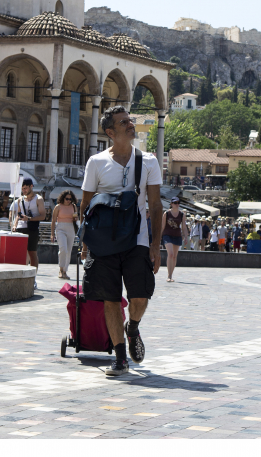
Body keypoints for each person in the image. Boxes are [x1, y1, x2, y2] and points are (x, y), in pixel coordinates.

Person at [80, 106, 162, 376]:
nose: (130, 124)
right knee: (110, 298)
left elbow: (155, 205)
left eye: (130, 120)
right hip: (104, 240)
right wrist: (85, 240)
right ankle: (119, 357)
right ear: (110, 133)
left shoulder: (148, 160)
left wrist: (155, 245)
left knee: (140, 294)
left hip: (137, 238)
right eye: (123, 122)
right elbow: (86, 204)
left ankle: (133, 327)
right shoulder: (96, 162)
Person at [11, 179, 46, 281]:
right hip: (20, 228)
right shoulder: (20, 199)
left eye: (25, 188)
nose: (24, 190)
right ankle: (21, 277)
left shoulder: (38, 199)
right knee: (20, 254)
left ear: (31, 186)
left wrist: (29, 218)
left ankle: (32, 278)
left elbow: (43, 216)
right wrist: (15, 225)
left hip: (32, 228)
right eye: (22, 189)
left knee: (32, 253)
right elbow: (18, 214)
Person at [50, 190, 78, 279]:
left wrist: (76, 218)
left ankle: (65, 271)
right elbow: (53, 221)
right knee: (63, 249)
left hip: (71, 228)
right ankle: (61, 269)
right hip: (60, 228)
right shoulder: (58, 207)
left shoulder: (73, 206)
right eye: (67, 198)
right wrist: (52, 234)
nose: (69, 200)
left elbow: (75, 218)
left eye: (70, 199)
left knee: (69, 251)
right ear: (63, 198)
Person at [162, 197, 188, 282]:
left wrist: (186, 237)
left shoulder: (182, 214)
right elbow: (162, 227)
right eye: (175, 203)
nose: (177, 204)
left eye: (178, 202)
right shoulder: (166, 213)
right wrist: (158, 237)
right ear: (171, 204)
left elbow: (184, 227)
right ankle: (169, 276)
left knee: (174, 256)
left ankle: (171, 274)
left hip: (177, 236)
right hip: (167, 235)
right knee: (170, 253)